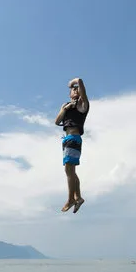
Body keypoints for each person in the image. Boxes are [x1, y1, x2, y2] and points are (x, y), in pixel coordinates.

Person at [54, 77, 90, 213]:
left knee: (69, 170)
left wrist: (73, 82)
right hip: (67, 139)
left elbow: (80, 81)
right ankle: (78, 197)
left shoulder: (82, 105)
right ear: (70, 94)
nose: (75, 89)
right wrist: (65, 109)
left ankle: (71, 199)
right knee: (71, 171)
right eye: (73, 89)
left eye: (77, 89)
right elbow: (57, 121)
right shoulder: (66, 106)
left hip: (74, 138)